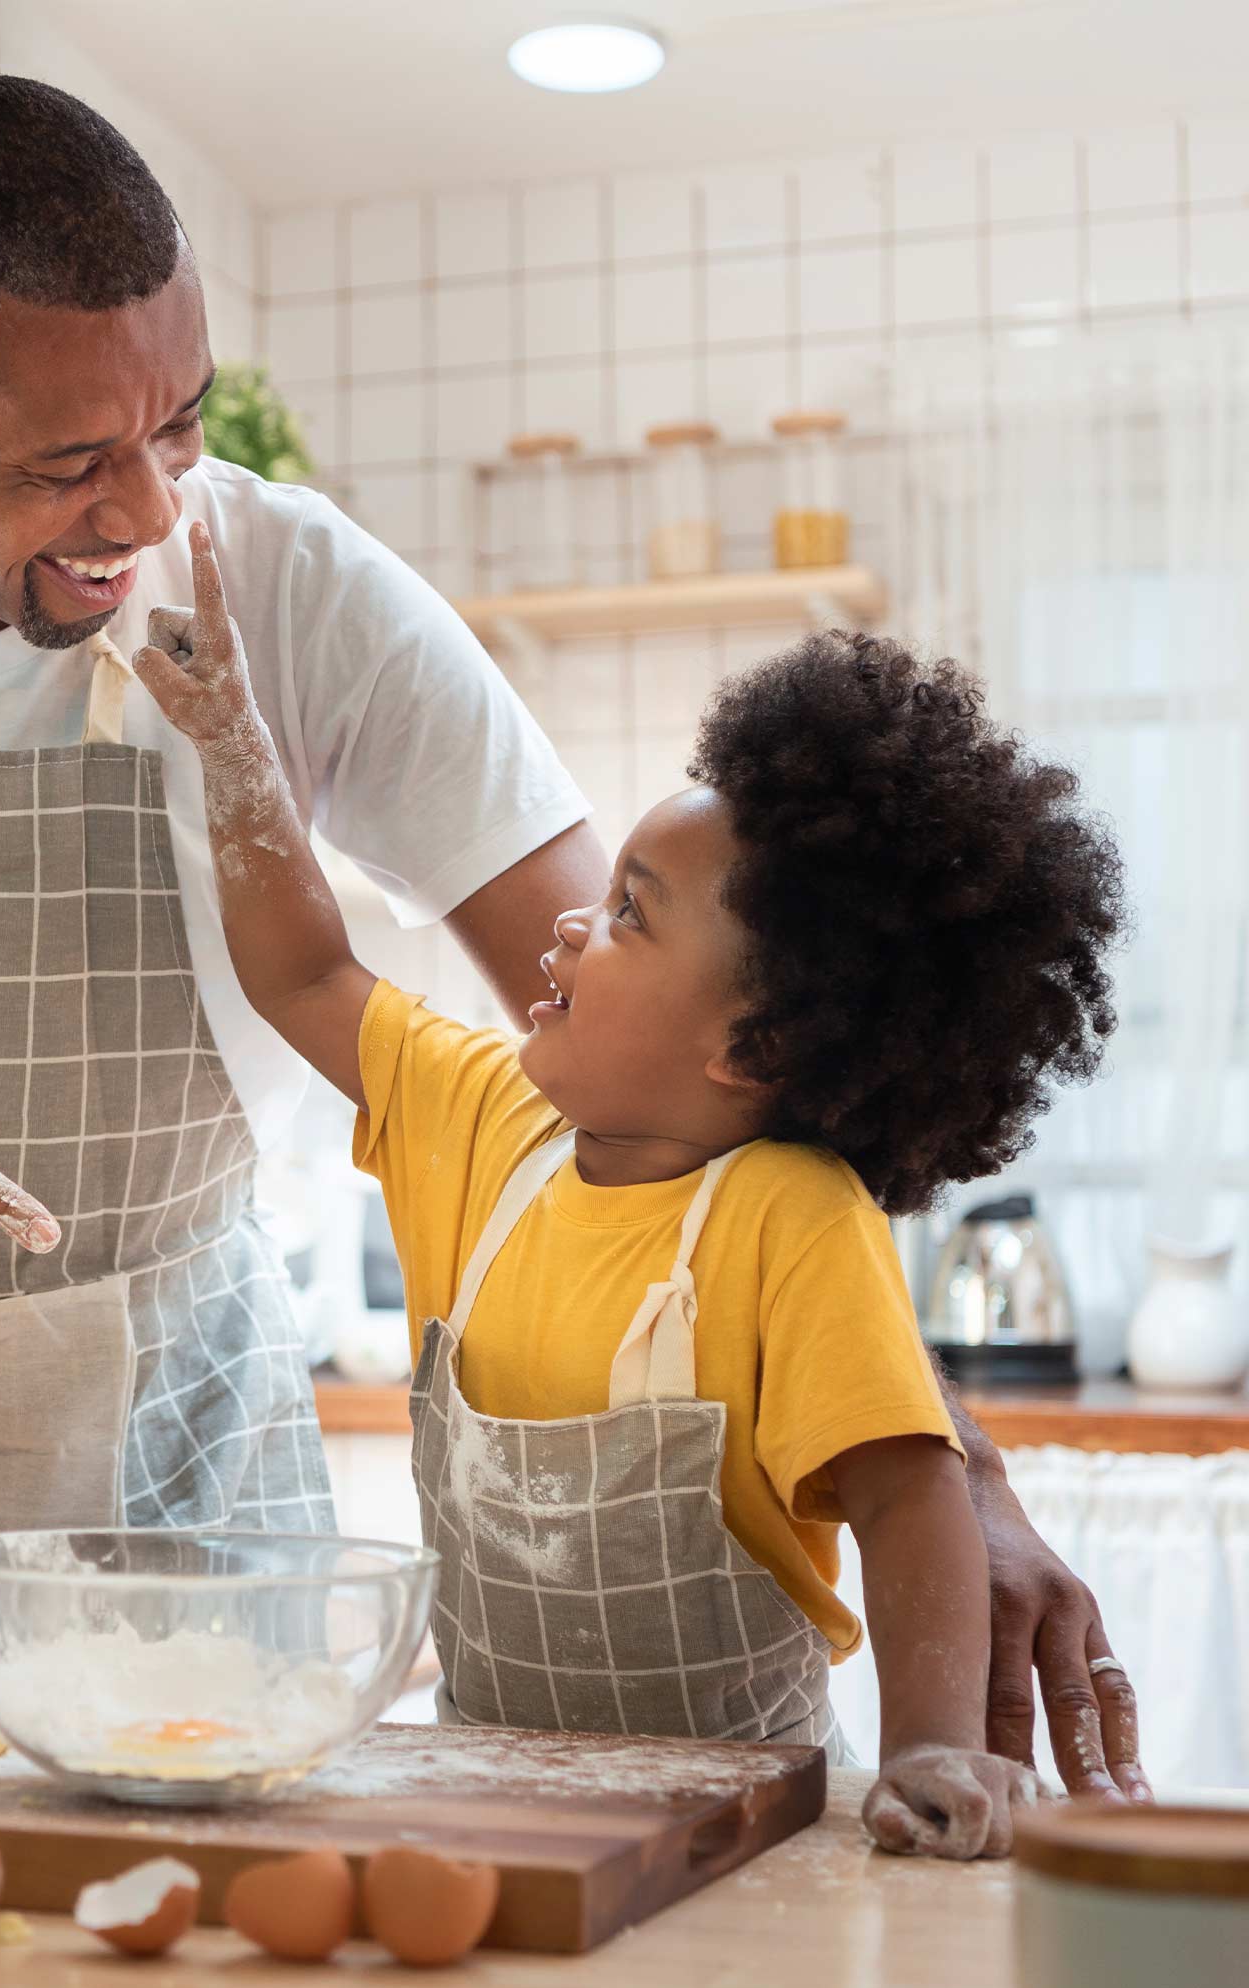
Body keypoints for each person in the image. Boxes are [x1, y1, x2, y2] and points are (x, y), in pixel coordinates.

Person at [0, 71, 1149, 1787]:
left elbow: (722, 1085)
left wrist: (957, 1480)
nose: (148, 514)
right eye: (67, 464)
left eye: (177, 427)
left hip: (215, 1576)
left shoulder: (297, 596)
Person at [129, 528, 1136, 1851]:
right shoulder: (483, 1121)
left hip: (743, 1832)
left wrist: (931, 1749)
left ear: (751, 1049)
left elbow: (908, 1493)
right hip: (501, 1804)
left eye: (628, 916)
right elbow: (308, 977)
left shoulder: (790, 1220)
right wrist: (235, 750)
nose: (567, 926)